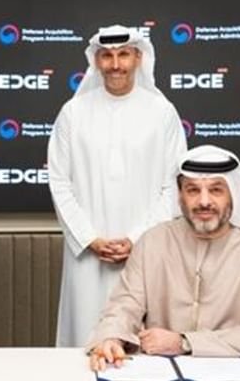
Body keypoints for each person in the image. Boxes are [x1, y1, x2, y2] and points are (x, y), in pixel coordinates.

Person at [88, 145, 240, 370]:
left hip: (236, 378)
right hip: (159, 375)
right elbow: (124, 305)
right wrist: (112, 337)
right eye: (193, 190)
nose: (204, 201)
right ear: (180, 196)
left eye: (216, 190)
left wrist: (184, 342)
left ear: (233, 195)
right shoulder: (152, 242)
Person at [48, 25, 187, 347]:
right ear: (96, 61)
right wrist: (90, 239)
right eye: (107, 56)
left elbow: (172, 186)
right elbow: (59, 181)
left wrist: (137, 238)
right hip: (87, 254)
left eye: (123, 55)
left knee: (142, 343)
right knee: (83, 338)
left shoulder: (162, 113)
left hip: (145, 250)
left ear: (138, 58)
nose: (115, 64)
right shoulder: (73, 113)